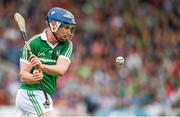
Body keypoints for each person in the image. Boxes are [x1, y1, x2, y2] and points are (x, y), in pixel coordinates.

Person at [15, 7, 76, 116]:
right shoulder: (33, 43)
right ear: (54, 25)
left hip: (45, 94)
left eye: (71, 28)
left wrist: (42, 66)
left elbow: (61, 70)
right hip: (30, 93)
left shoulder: (67, 45)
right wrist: (34, 78)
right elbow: (23, 75)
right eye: (66, 27)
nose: (69, 32)